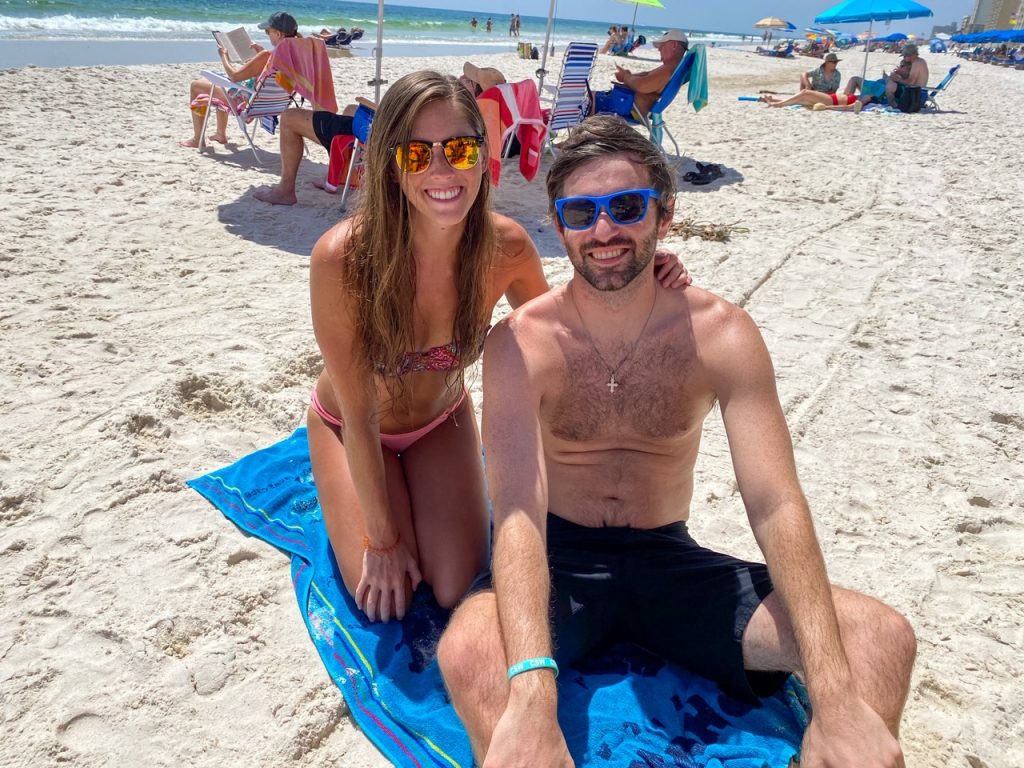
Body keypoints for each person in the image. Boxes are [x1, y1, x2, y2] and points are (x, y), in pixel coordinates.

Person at [437, 114, 917, 767]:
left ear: (665, 217)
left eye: (626, 207)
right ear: (559, 226)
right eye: (581, 213)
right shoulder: (521, 342)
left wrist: (833, 695)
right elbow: (517, 507)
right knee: (468, 651)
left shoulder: (720, 334)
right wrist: (532, 694)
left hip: (669, 559)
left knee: (880, 639)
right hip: (559, 557)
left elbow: (775, 502)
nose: (603, 230)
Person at [305, 74, 690, 624]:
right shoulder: (342, 258)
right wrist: (385, 541)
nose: (442, 171)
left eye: (460, 149)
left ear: (483, 157)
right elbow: (361, 413)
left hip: (440, 421)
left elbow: (564, 329)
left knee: (451, 586)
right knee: (388, 596)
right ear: (392, 163)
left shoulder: (505, 245)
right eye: (418, 154)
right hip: (349, 425)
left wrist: (638, 272)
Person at [181, 11, 296, 148]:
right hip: (273, 105)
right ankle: (220, 134)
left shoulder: (268, 56)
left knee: (197, 85)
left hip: (246, 103)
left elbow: (234, 76)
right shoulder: (296, 56)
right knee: (222, 83)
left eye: (268, 31)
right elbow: (275, 73)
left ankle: (197, 138)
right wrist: (261, 53)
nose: (267, 34)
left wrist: (224, 56)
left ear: (278, 34)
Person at [252, 102, 362, 205]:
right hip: (374, 127)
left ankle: (285, 191)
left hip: (370, 130)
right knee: (351, 109)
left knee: (289, 117)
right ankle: (333, 177)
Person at [593, 29, 688, 117]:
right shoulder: (673, 69)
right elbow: (646, 75)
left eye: (662, 46)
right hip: (628, 104)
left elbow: (641, 86)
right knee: (590, 95)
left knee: (588, 98)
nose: (659, 50)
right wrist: (630, 76)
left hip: (628, 108)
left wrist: (626, 77)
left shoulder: (668, 70)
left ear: (674, 45)